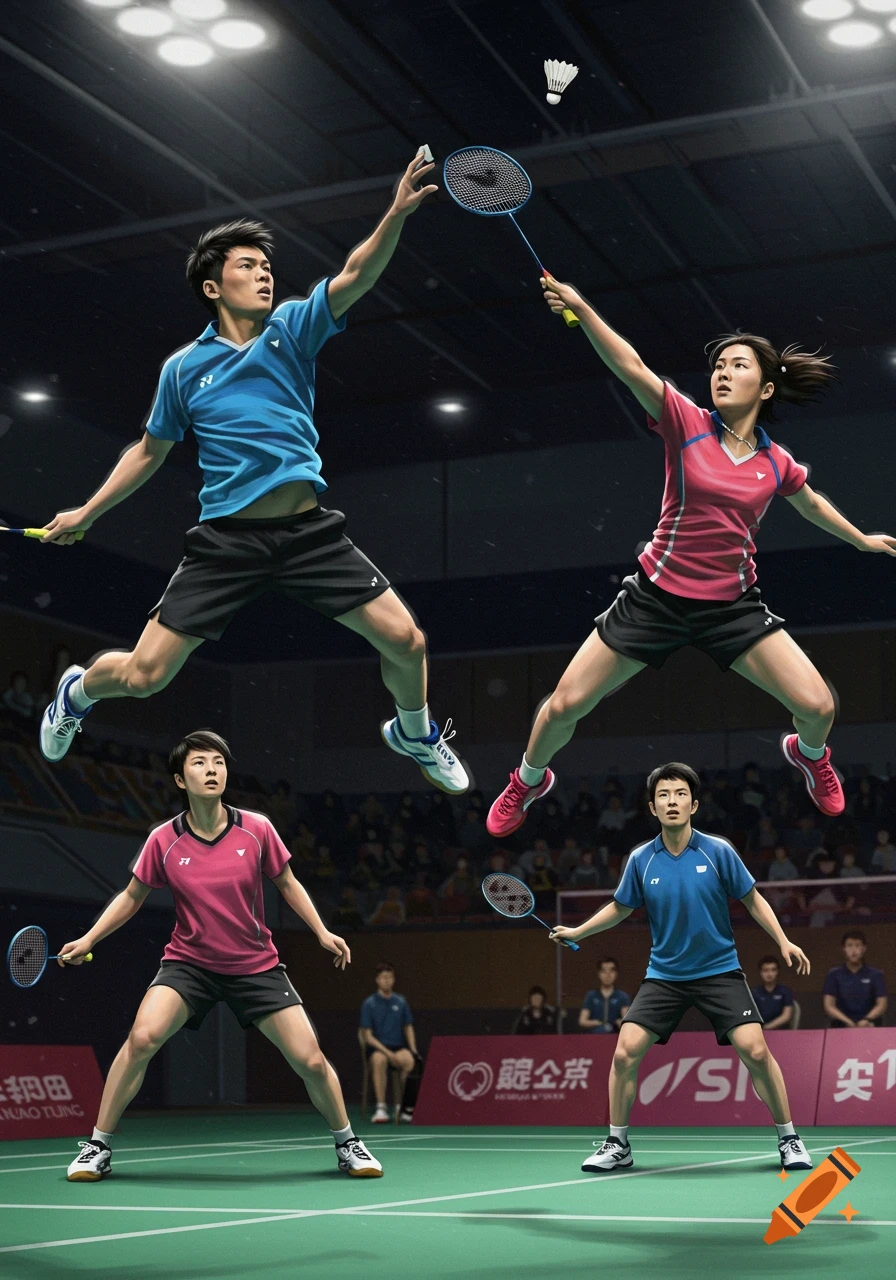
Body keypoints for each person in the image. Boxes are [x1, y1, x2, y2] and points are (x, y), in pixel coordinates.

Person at [37, 159, 468, 799]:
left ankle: (413, 732)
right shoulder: (184, 369)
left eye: (266, 266)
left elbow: (357, 273)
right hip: (226, 544)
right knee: (144, 675)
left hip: (307, 535)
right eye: (246, 266)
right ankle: (76, 691)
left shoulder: (293, 329)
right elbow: (149, 451)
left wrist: (397, 212)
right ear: (212, 287)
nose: (264, 273)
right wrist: (88, 512)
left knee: (407, 640)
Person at [487, 286, 896, 841]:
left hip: (732, 608)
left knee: (819, 705)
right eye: (719, 366)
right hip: (653, 599)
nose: (723, 373)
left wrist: (860, 540)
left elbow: (810, 501)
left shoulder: (775, 462)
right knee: (563, 707)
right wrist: (581, 309)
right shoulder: (686, 422)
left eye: (739, 366)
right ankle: (528, 781)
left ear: (766, 387)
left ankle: (808, 754)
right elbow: (629, 365)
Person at [60, 729, 381, 1182]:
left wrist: (321, 931)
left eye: (218, 762)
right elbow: (132, 897)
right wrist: (90, 938)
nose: (211, 770)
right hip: (188, 965)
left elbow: (287, 883)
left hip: (255, 965)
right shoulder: (163, 840)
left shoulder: (256, 830)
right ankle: (98, 1147)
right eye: (199, 763)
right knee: (141, 1039)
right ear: (179, 780)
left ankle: (347, 1142)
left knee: (309, 1060)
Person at [549, 762, 813, 1174]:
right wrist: (578, 930)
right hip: (665, 976)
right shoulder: (642, 859)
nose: (672, 801)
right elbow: (620, 907)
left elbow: (752, 898)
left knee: (757, 1051)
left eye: (680, 794)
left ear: (694, 803)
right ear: (652, 808)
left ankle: (789, 1138)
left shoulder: (718, 850)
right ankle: (618, 1143)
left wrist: (783, 940)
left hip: (720, 971)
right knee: (624, 1053)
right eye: (663, 796)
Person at [360, 963, 418, 1123]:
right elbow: (367, 1036)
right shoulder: (369, 1003)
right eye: (384, 978)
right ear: (377, 980)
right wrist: (388, 1053)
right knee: (380, 1060)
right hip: (378, 1050)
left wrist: (412, 1050)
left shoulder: (400, 1001)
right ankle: (381, 1108)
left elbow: (408, 1026)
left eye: (390, 977)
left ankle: (404, 1107)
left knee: (409, 1061)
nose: (387, 981)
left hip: (398, 1048)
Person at [822, 931, 888, 1028]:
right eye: (849, 946)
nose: (853, 950)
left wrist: (867, 1020)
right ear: (844, 949)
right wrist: (848, 1022)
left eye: (857, 946)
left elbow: (882, 1004)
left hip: (869, 1024)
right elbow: (829, 1005)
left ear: (864, 949)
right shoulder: (833, 974)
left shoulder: (876, 974)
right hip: (842, 1024)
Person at [579, 958, 630, 1034]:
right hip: (594, 1036)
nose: (608, 975)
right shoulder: (591, 996)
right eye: (604, 971)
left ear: (616, 974)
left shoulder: (622, 996)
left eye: (611, 971)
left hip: (616, 1036)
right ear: (599, 974)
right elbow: (582, 1021)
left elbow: (626, 1021)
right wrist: (597, 1023)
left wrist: (620, 1022)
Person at [751, 956, 794, 1030]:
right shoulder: (753, 993)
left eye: (773, 970)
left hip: (782, 1032)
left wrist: (766, 1027)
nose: (769, 973)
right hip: (758, 1032)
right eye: (765, 970)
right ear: (760, 972)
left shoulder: (785, 991)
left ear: (778, 972)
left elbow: (786, 1016)